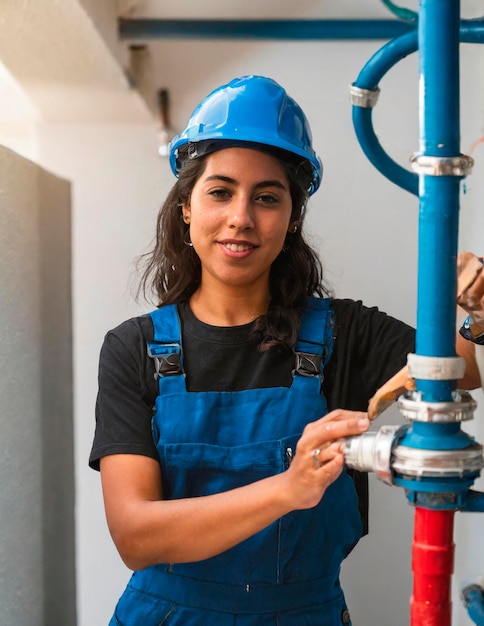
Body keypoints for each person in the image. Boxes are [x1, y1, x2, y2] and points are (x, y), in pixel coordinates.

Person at [90, 75, 482, 625]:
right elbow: (136, 536)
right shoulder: (135, 347)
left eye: (267, 198)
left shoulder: (345, 333)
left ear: (292, 216)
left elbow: (458, 372)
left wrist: (479, 314)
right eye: (220, 191)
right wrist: (287, 489)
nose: (241, 218)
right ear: (186, 206)